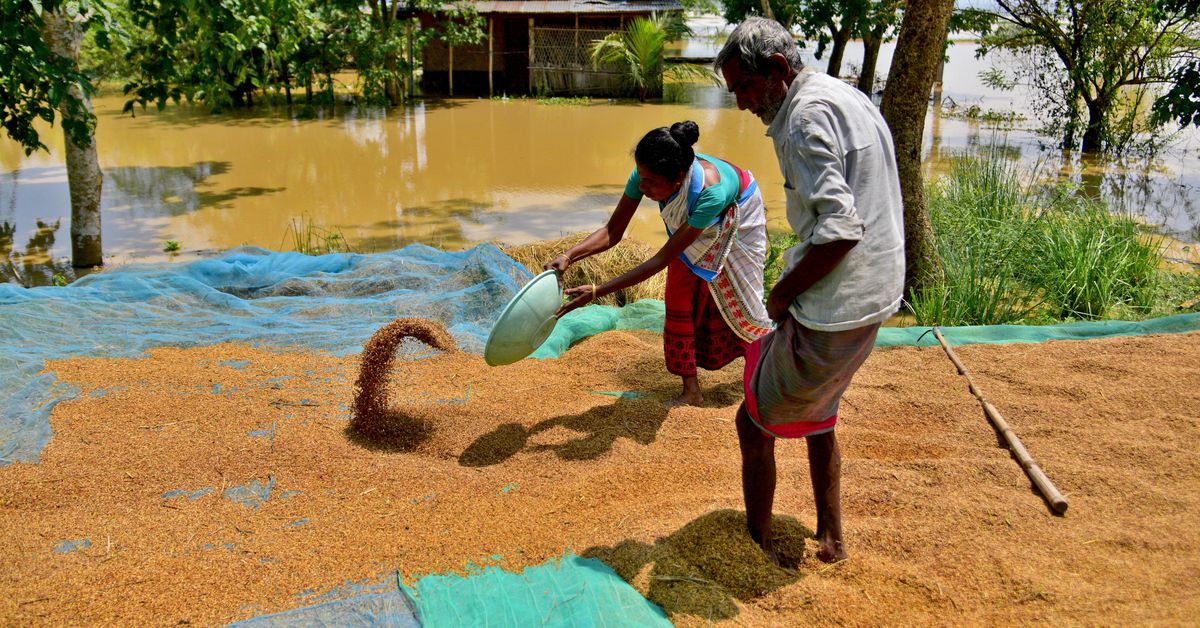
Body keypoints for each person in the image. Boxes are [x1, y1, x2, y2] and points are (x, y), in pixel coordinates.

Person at [714, 17, 905, 563]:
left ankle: (758, 548)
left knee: (753, 421)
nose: (744, 104)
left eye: (746, 88)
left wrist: (782, 293)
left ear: (776, 70)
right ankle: (831, 536)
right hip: (874, 295)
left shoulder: (802, 119)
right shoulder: (844, 95)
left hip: (835, 304)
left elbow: (840, 230)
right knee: (822, 411)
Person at [548, 121, 773, 407]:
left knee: (743, 303)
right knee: (678, 294)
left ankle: (768, 373)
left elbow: (660, 259)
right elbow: (612, 232)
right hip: (696, 219)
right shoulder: (646, 174)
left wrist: (596, 292)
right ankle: (691, 390)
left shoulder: (710, 192)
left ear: (678, 177)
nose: (643, 187)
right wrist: (569, 255)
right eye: (641, 177)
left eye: (651, 182)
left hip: (737, 216)